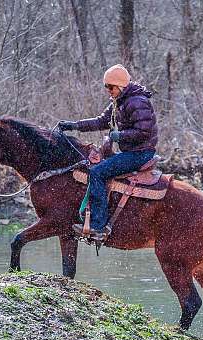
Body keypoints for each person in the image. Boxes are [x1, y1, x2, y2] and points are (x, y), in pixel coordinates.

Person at [58, 64, 158, 240]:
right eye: (106, 87)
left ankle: (97, 225)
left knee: (97, 173)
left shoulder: (136, 102)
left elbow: (144, 132)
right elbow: (100, 121)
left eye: (110, 87)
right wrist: (74, 125)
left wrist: (119, 136)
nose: (108, 90)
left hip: (141, 153)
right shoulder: (118, 101)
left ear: (120, 86)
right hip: (132, 151)